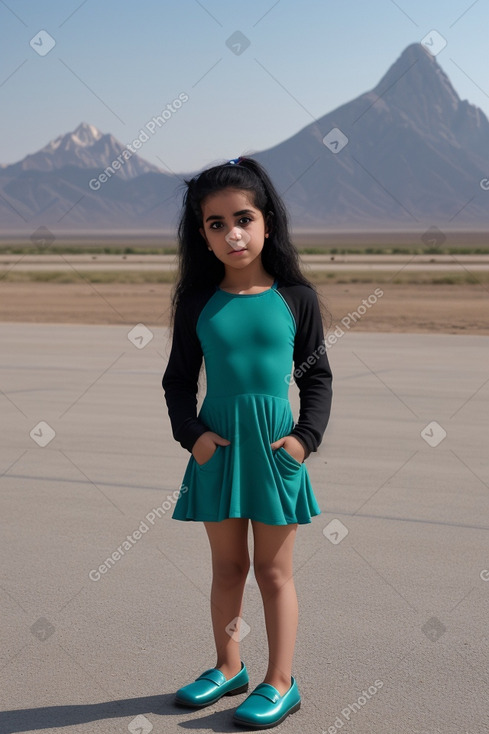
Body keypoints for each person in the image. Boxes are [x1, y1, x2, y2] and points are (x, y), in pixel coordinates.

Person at [162, 156, 333, 729]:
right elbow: (178, 381)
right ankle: (227, 666)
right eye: (216, 224)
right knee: (228, 568)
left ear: (266, 224)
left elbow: (317, 378)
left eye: (243, 218)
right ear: (202, 235)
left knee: (274, 573)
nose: (232, 233)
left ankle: (281, 681)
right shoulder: (196, 303)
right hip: (220, 453)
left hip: (277, 455)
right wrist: (194, 438)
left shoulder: (296, 299)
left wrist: (304, 442)